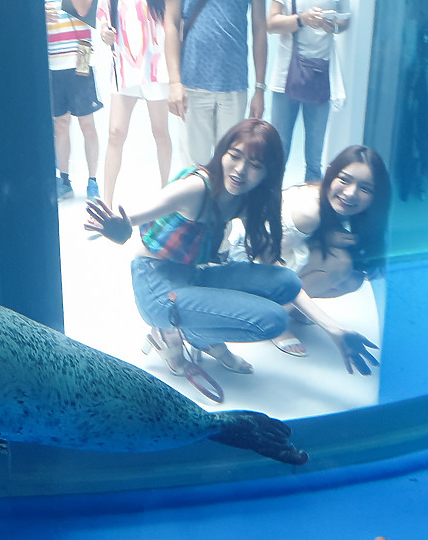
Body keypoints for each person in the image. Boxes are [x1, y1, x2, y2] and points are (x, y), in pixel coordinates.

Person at [86, 119, 299, 376]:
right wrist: (120, 227)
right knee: (274, 320)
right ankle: (187, 334)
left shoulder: (246, 199)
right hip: (157, 287)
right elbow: (137, 216)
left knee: (288, 282)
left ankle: (197, 332)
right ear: (222, 153)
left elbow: (269, 262)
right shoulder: (196, 188)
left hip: (193, 275)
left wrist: (334, 329)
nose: (240, 170)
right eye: (234, 156)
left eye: (255, 165)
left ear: (268, 173)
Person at [229, 145, 391, 375]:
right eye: (344, 180)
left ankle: (290, 308)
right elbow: (264, 259)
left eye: (365, 188)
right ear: (330, 172)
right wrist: (330, 325)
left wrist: (323, 238)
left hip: (279, 256)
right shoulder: (310, 210)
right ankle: (273, 317)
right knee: (339, 265)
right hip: (245, 264)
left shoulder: (344, 210)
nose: (351, 193)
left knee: (353, 277)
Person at [164, 0, 268, 166]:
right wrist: (174, 82)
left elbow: (260, 26)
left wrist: (260, 88)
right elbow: (171, 22)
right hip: (192, 83)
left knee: (230, 162)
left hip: (234, 83)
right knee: (194, 167)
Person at [97, 0, 172, 206]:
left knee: (160, 132)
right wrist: (105, 33)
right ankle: (107, 204)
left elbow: (174, 19)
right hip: (124, 65)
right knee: (115, 133)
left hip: (156, 63)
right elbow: (104, 19)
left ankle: (165, 197)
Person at [267, 0, 349, 183]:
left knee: (314, 159)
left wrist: (333, 26)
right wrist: (302, 19)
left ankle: (310, 208)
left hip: (320, 78)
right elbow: (271, 24)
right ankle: (268, 205)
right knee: (279, 152)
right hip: (285, 78)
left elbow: (345, 21)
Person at [46, 0, 104, 201]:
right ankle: (64, 180)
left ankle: (93, 180)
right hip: (54, 60)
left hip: (82, 53)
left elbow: (85, 10)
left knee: (87, 123)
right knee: (60, 124)